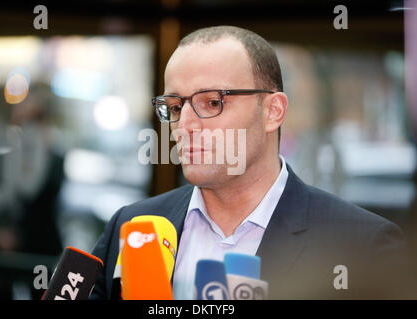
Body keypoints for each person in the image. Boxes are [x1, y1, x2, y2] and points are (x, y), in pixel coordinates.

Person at [90, 25, 413, 299]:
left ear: (273, 111)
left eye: (213, 102)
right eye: (174, 107)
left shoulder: (362, 245)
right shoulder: (131, 226)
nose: (184, 125)